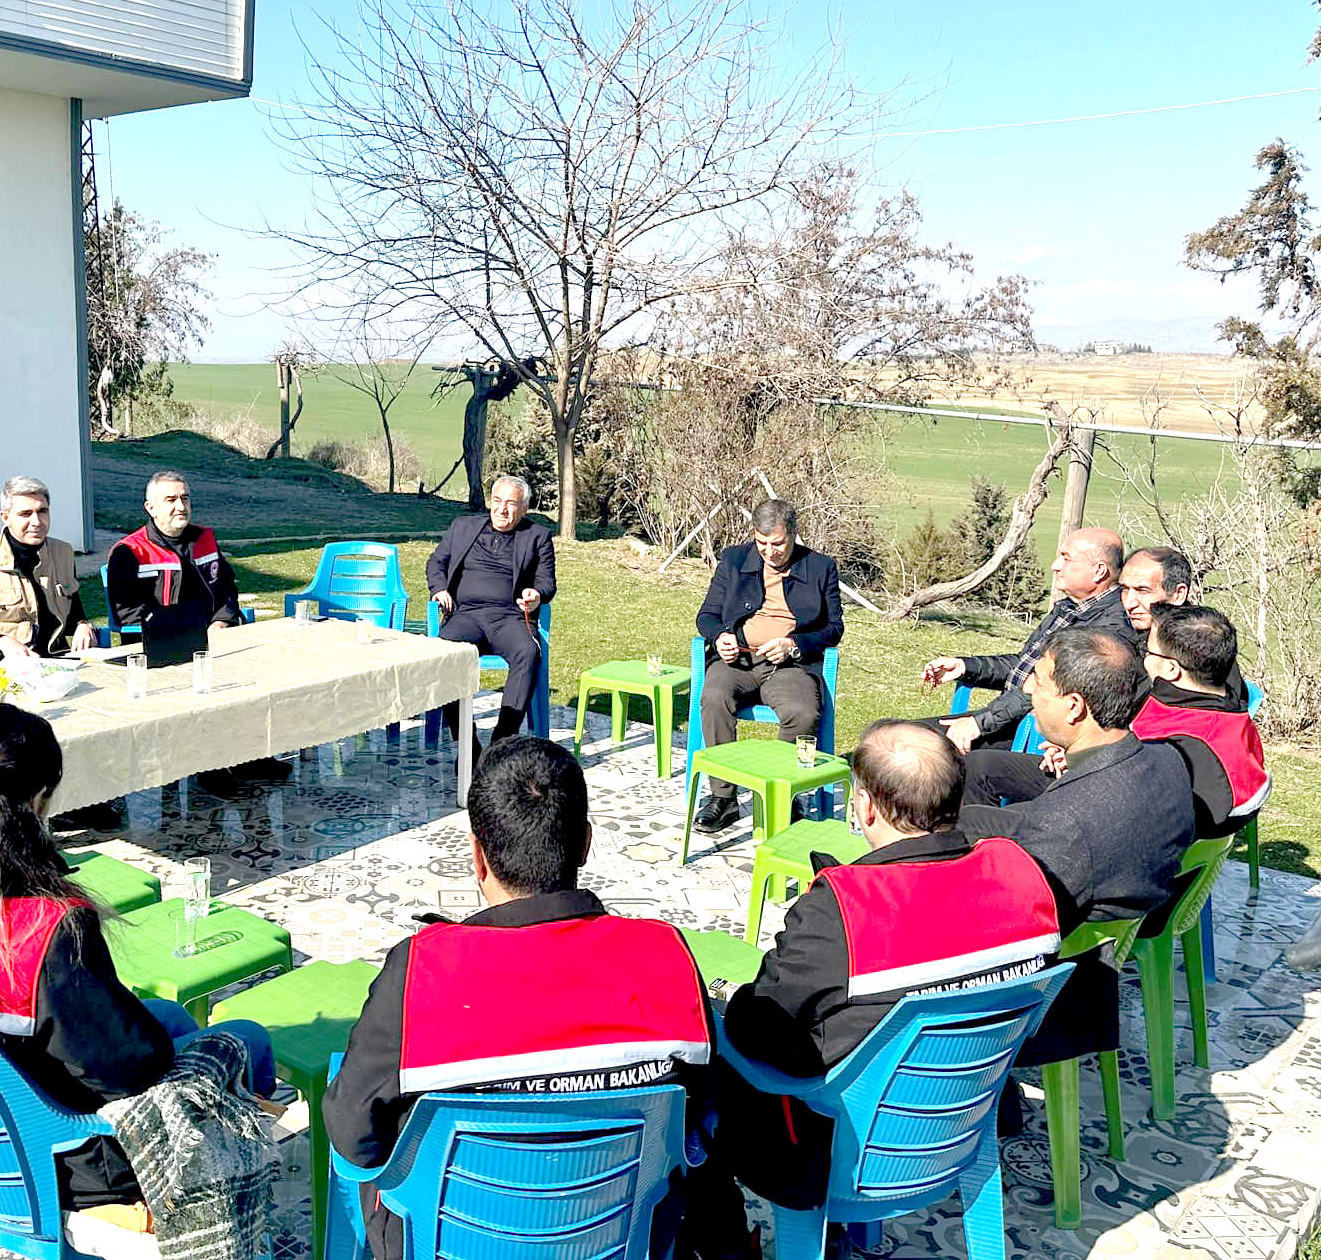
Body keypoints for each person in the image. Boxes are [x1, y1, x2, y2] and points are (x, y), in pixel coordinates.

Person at [0, 703, 276, 1226]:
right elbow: (136, 1069)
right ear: (38, 801)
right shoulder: (46, 931)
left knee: (168, 1018)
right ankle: (222, 1194)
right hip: (62, 1152)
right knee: (246, 1037)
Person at [323, 736, 722, 1260]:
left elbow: (355, 1139)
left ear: (477, 856)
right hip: (621, 1240)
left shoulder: (419, 973)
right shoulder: (665, 957)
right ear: (584, 843)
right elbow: (702, 1108)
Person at [712, 721, 1061, 1208]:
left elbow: (758, 1031)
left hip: (840, 1152)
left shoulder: (843, 907)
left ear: (866, 806)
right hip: (963, 1125)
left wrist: (726, 1005)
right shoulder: (1021, 876)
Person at [958, 629, 1196, 1082]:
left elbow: (1009, 940)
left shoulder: (1065, 823)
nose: (1027, 688)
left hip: (1059, 995)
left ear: (1075, 706)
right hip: (1111, 897)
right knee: (968, 822)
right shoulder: (1166, 760)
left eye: (1040, 682)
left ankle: (995, 1095)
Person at [104, 470, 281, 792]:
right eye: (170, 500)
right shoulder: (129, 552)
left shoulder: (204, 539)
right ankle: (208, 768)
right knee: (198, 692)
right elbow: (126, 612)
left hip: (215, 637)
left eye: (184, 498)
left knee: (253, 678)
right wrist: (184, 628)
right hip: (159, 650)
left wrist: (223, 620)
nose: (180, 506)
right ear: (150, 507)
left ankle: (250, 756)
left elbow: (227, 587)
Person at [691, 499, 844, 834]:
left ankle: (781, 793)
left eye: (778, 544)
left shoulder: (820, 567)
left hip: (788, 666)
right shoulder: (734, 560)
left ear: (793, 535)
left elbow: (835, 628)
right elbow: (706, 615)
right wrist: (720, 636)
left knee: (803, 712)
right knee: (714, 697)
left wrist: (794, 644)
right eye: (762, 544)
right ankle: (723, 797)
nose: (770, 552)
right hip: (739, 660)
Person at [920, 526, 1137, 753]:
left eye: (1066, 558)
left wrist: (981, 723)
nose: (1055, 566)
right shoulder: (1070, 609)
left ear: (1099, 571)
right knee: (898, 736)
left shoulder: (1106, 632)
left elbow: (1046, 688)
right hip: (1006, 718)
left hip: (1032, 735)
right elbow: (1027, 666)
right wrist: (966, 666)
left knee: (915, 751)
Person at [424, 476, 558, 757]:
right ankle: (468, 744)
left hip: (509, 617)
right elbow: (436, 562)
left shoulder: (538, 536)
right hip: (466, 615)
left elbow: (547, 583)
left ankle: (501, 743)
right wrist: (439, 589)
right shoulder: (463, 527)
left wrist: (536, 594)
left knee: (527, 652)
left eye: (511, 503)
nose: (502, 509)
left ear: (524, 508)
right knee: (445, 652)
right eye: (497, 501)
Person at [1134, 603, 1269, 839]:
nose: (1144, 657)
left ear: (1171, 668)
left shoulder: (1172, 742)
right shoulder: (1231, 707)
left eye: (1148, 651)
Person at [0, 476, 97, 658]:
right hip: (2, 667)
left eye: (42, 511)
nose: (37, 521)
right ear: (5, 518)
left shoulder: (63, 553)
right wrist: (0, 641)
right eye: (25, 514)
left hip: (56, 660)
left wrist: (83, 625)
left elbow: (73, 611)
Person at [1118, 545, 1194, 634]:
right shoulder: (1117, 633)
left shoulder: (1199, 644)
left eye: (1142, 591)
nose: (1128, 604)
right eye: (1125, 589)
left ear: (1178, 595)